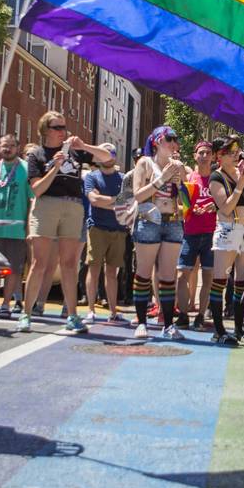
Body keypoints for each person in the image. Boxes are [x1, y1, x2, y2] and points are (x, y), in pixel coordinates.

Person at [16, 111, 113, 334]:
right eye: (58, 127)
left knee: (70, 264)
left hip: (73, 206)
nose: (63, 131)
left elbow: (108, 157)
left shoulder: (76, 152)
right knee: (39, 263)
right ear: (46, 130)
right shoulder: (37, 155)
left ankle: (72, 315)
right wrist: (55, 167)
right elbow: (37, 189)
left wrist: (84, 146)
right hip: (46, 206)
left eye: (64, 127)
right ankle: (26, 314)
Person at [205, 137, 244, 345]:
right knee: (220, 280)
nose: (235, 154)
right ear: (219, 156)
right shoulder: (216, 177)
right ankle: (219, 330)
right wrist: (239, 185)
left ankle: (240, 329)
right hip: (228, 230)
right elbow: (225, 208)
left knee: (242, 283)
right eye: (230, 152)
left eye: (236, 151)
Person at [130, 125, 187, 340]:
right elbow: (137, 195)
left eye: (175, 139)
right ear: (156, 141)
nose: (174, 143)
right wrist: (162, 179)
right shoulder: (145, 163)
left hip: (173, 221)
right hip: (149, 220)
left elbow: (186, 200)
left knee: (168, 275)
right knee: (144, 272)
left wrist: (181, 184)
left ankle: (168, 324)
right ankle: (141, 322)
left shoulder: (178, 166)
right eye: (169, 139)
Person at [0, 134, 33, 319]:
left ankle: (6, 305)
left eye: (11, 145)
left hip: (16, 228)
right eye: (4, 145)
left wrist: (29, 227)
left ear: (18, 148)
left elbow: (31, 200)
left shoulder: (26, 170)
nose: (7, 149)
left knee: (14, 269)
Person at [83, 143, 129, 324]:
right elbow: (94, 200)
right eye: (104, 152)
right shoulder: (91, 177)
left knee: (112, 272)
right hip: (97, 228)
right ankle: (90, 310)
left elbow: (127, 202)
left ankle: (113, 311)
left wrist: (107, 201)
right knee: (93, 268)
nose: (108, 156)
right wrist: (116, 201)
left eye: (111, 153)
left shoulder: (124, 178)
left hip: (118, 230)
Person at [177, 141, 217, 329]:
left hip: (211, 234)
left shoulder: (218, 179)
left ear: (213, 156)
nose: (204, 156)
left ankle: (201, 315)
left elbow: (226, 204)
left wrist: (214, 206)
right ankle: (183, 314)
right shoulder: (189, 178)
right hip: (190, 233)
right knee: (182, 275)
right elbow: (179, 206)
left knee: (208, 277)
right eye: (201, 153)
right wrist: (190, 209)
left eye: (208, 153)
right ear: (195, 156)